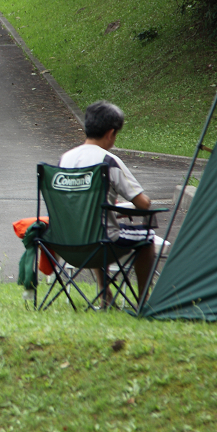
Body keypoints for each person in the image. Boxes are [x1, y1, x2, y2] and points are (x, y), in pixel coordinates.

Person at [59, 100, 156, 304]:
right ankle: (143, 300)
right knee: (147, 237)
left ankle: (105, 292)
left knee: (92, 226)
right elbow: (143, 204)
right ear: (111, 133)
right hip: (102, 242)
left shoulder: (65, 159)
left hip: (67, 242)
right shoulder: (108, 161)